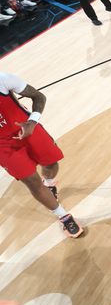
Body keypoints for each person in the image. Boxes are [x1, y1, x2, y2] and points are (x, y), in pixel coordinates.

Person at [0, 72, 83, 238]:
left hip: (27, 127)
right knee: (32, 181)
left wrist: (32, 121)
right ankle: (63, 215)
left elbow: (39, 97)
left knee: (52, 163)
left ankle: (50, 183)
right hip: (3, 145)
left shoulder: (3, 79)